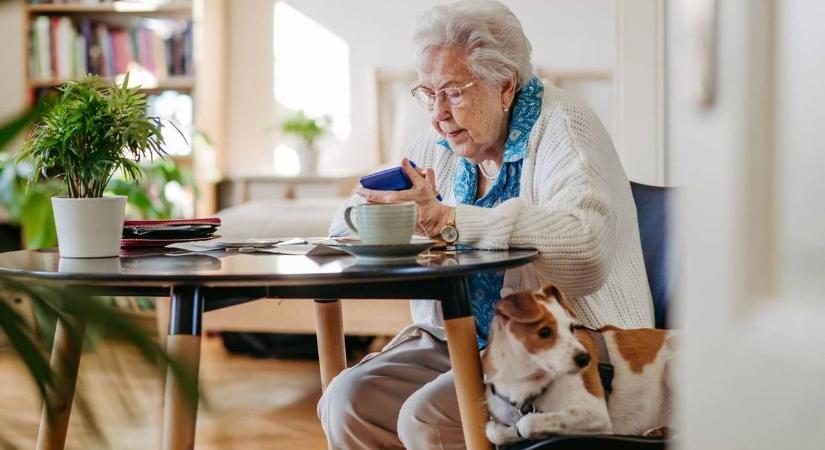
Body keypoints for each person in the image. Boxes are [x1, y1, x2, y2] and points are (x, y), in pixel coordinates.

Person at [319, 1, 655, 448]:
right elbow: (342, 225)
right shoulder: (441, 141)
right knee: (346, 398)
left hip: (569, 345)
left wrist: (449, 220)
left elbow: (585, 249)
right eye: (428, 94)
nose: (438, 113)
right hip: (459, 340)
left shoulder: (565, 126)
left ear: (505, 86)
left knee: (428, 417)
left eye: (454, 93)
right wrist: (381, 213)